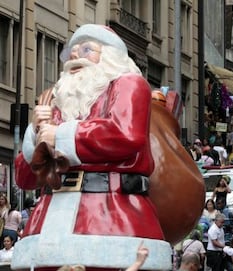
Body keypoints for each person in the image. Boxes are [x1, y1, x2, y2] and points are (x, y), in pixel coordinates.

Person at [13, 24, 204, 269]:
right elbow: (25, 178)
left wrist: (59, 136)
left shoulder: (128, 85)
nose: (74, 55)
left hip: (112, 216)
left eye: (86, 49)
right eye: (72, 50)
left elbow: (125, 135)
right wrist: (35, 133)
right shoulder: (59, 103)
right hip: (49, 223)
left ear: (111, 57)